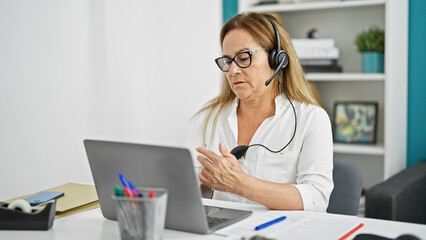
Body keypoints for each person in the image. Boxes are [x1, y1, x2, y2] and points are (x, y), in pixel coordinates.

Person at [184, 12, 333, 212]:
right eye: (228, 61)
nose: (233, 70)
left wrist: (241, 184)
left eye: (243, 58)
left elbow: (317, 199)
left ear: (277, 59)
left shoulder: (312, 119)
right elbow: (184, 187)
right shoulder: (207, 118)